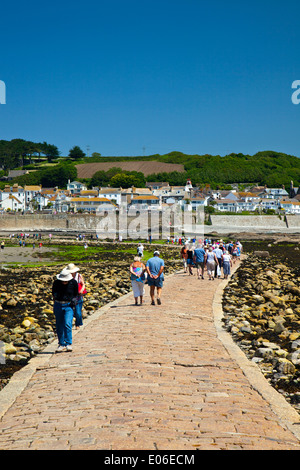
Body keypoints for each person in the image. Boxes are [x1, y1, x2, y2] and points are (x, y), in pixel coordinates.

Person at [52, 268, 78, 352]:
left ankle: (68, 343)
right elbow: (53, 293)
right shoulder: (56, 283)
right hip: (58, 305)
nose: (64, 282)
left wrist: (74, 300)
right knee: (59, 325)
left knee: (67, 324)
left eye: (65, 281)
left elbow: (75, 293)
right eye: (63, 281)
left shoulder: (73, 283)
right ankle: (61, 344)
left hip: (68, 305)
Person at [65, 263, 86, 330]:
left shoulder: (79, 276)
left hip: (78, 296)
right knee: (69, 312)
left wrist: (81, 290)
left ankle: (78, 324)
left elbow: (83, 284)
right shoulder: (67, 276)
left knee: (78, 312)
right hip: (70, 297)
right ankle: (70, 325)